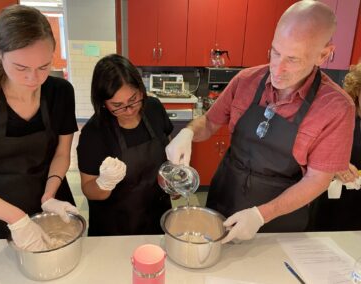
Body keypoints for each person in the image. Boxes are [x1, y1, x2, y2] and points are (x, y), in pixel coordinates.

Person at [166, 1, 355, 243]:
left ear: (323, 55)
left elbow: (317, 180)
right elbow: (210, 123)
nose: (277, 68)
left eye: (293, 59)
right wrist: (188, 133)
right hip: (224, 198)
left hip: (280, 220)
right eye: (275, 52)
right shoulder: (246, 80)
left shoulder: (337, 108)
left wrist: (260, 215)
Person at [0, 5, 79, 251]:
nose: (33, 79)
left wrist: (49, 197)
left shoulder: (60, 93)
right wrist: (17, 219)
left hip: (49, 201)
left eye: (43, 67)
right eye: (21, 68)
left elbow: (61, 153)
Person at [77, 54, 172, 236]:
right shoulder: (93, 132)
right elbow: (88, 188)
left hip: (156, 216)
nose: (129, 110)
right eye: (117, 105)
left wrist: (172, 180)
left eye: (134, 99)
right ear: (103, 102)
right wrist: (104, 183)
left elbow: (166, 149)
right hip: (115, 225)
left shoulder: (153, 108)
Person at [308, 62, 361, 231]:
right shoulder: (338, 118)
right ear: (358, 90)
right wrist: (334, 168)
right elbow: (307, 154)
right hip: (333, 209)